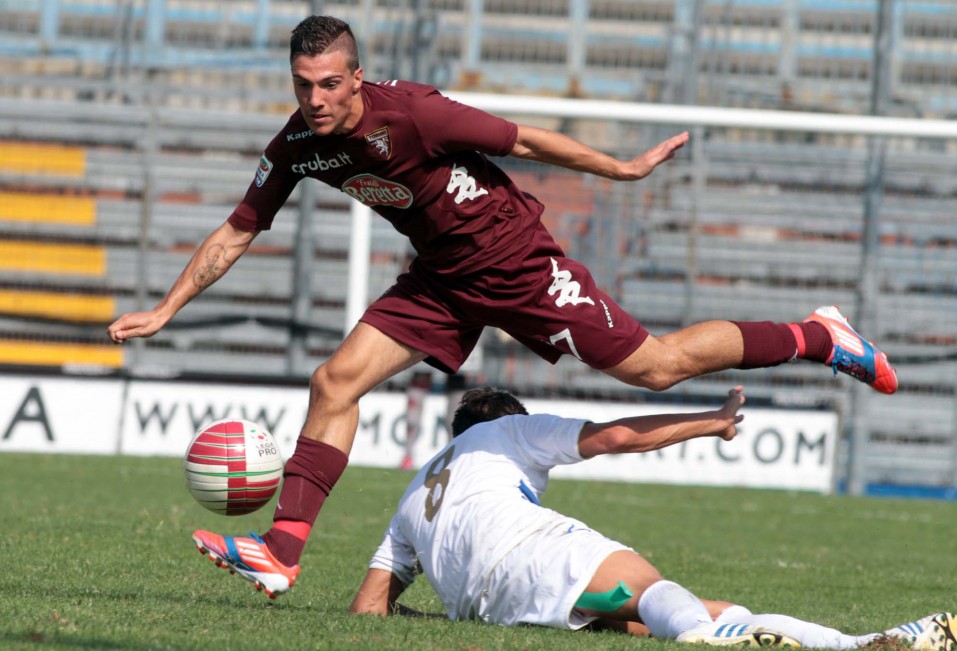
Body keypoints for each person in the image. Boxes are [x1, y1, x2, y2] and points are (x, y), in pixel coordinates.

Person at [106, 15, 898, 598]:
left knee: (658, 367)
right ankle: (282, 551)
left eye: (328, 83)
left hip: (514, 262)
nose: (314, 98)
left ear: (356, 76)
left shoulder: (412, 113)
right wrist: (167, 307)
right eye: (301, 85)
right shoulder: (296, 145)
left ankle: (817, 335)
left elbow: (529, 139)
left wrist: (618, 169)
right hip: (443, 276)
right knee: (334, 380)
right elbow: (240, 227)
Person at [348, 386, 957, 651]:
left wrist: (436, 615)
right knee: (655, 593)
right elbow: (615, 435)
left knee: (686, 613)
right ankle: (705, 640)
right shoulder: (506, 430)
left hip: (498, 607)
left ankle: (861, 645)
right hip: (534, 554)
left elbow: (368, 610)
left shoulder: (411, 494)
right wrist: (713, 420)